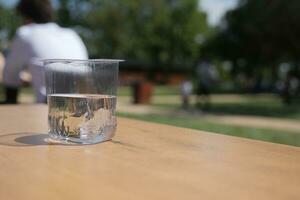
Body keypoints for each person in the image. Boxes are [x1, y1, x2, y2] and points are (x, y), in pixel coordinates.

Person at [1, 0, 88, 104]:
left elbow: (10, 78)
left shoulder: (25, 33)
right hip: (85, 105)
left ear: (25, 16)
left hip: (50, 108)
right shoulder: (72, 34)